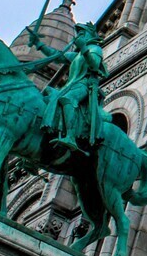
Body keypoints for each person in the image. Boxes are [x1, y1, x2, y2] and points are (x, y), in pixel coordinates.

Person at [26, 20, 107, 159]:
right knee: (48, 96)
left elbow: (94, 65)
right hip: (71, 85)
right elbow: (57, 56)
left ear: (89, 35)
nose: (78, 36)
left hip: (85, 85)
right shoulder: (77, 56)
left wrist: (84, 49)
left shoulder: (95, 49)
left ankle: (70, 137)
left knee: (68, 99)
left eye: (81, 33)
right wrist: (39, 44)